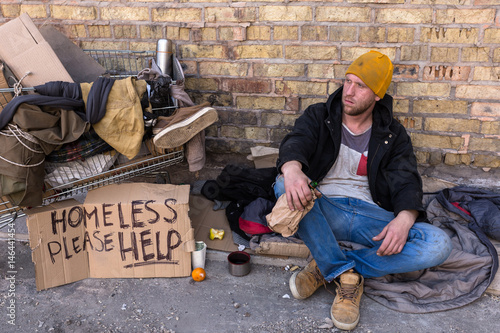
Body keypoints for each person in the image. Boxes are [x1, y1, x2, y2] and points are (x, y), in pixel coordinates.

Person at [274, 51, 453, 331]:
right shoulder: (320, 115)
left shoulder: (393, 134)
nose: (349, 91)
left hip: (371, 219)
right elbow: (297, 140)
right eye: (347, 81)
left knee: (439, 244)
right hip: (323, 209)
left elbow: (406, 179)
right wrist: (292, 168)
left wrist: (404, 220)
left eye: (361, 86)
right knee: (281, 185)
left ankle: (330, 266)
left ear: (378, 95)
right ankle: (344, 276)